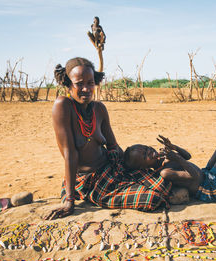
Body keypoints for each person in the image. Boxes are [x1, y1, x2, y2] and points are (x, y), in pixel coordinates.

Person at [45, 58, 171, 220]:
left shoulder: (99, 109)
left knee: (163, 183)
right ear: (68, 84)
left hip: (112, 168)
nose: (86, 89)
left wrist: (137, 162)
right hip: (88, 182)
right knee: (151, 199)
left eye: (90, 83)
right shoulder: (63, 106)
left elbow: (113, 146)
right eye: (79, 83)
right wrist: (69, 201)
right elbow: (70, 154)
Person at [124, 135, 216, 206]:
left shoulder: (165, 157)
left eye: (147, 148)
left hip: (205, 175)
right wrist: (176, 158)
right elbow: (195, 176)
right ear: (144, 167)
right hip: (208, 188)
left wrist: (174, 147)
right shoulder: (165, 172)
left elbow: (188, 156)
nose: (150, 151)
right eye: (145, 156)